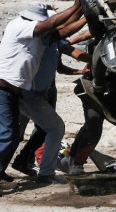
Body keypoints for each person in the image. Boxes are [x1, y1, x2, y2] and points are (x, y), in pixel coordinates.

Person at [0, 0, 84, 197]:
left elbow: (63, 31)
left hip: (9, 91)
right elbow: (51, 24)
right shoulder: (19, 26)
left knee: (12, 134)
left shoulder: (39, 36)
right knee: (5, 134)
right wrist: (77, 6)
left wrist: (83, 10)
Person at [11, 30, 92, 176]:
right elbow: (76, 48)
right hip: (29, 93)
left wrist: (80, 71)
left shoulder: (54, 42)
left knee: (35, 130)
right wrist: (96, 60)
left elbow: (62, 64)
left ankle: (23, 161)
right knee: (49, 128)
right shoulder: (41, 41)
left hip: (40, 91)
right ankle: (42, 171)